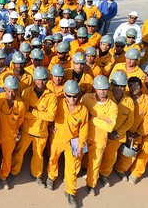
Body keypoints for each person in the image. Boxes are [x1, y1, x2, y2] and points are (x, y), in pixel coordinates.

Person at [12, 66, 57, 186]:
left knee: (38, 155)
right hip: (27, 129)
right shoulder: (26, 92)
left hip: (41, 132)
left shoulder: (51, 96)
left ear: (47, 80)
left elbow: (51, 117)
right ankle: (14, 171)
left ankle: (36, 174)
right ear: (34, 80)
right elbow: (23, 113)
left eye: (43, 79)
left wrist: (33, 112)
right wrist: (41, 114)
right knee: (19, 152)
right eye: (38, 79)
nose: (40, 82)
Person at [46, 80, 88, 208]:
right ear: (64, 95)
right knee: (53, 159)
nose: (72, 98)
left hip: (72, 142)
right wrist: (50, 126)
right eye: (69, 95)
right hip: (57, 138)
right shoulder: (58, 104)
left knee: (71, 169)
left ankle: (70, 192)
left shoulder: (83, 110)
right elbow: (50, 115)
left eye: (74, 95)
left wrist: (81, 146)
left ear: (78, 94)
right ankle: (51, 177)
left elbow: (84, 129)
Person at [81, 75, 118, 197]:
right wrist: (102, 121)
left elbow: (109, 127)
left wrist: (92, 119)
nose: (103, 92)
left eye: (105, 89)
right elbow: (80, 114)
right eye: (100, 89)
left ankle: (91, 184)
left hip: (100, 139)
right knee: (77, 157)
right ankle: (76, 174)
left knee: (95, 162)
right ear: (95, 88)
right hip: (84, 134)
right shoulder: (86, 98)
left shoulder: (112, 107)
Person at [0, 75, 25, 190]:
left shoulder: (20, 105)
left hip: (10, 136)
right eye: (8, 91)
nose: (11, 94)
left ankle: (3, 176)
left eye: (13, 91)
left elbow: (20, 121)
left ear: (17, 90)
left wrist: (15, 133)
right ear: (4, 89)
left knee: (7, 158)